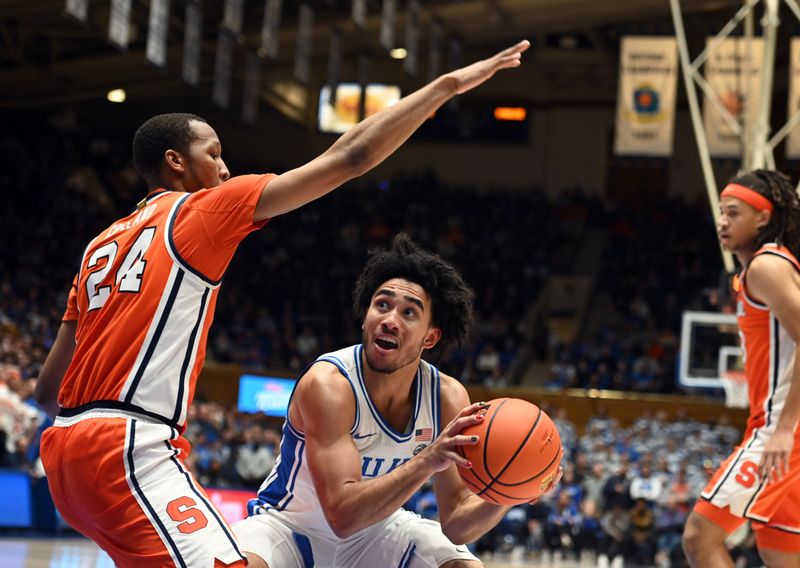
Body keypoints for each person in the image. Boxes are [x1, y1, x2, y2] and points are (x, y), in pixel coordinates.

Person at [33, 40, 532, 568]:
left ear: (431, 334)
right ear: (175, 162)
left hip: (64, 451)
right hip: (129, 445)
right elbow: (352, 156)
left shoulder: (100, 246)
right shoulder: (199, 211)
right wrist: (447, 87)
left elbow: (48, 389)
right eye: (215, 154)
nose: (225, 170)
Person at [233, 234, 560, 567]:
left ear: (430, 336)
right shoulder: (329, 385)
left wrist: (508, 492)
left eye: (409, 313)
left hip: (377, 532)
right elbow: (341, 515)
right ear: (366, 317)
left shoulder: (447, 397)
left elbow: (458, 524)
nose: (390, 319)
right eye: (382, 305)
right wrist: (427, 460)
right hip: (289, 527)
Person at [682, 169, 800, 567]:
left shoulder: (766, 267)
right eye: (720, 212)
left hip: (782, 431)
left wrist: (783, 430)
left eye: (733, 213)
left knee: (700, 538)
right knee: (780, 551)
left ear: (763, 218)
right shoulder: (769, 267)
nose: (722, 221)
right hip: (782, 427)